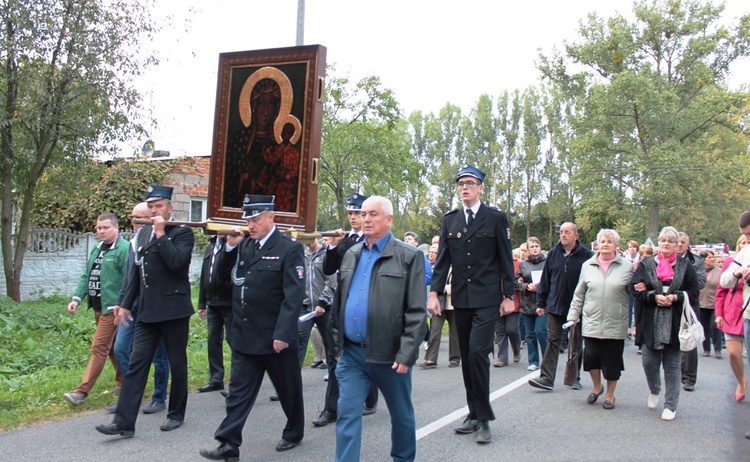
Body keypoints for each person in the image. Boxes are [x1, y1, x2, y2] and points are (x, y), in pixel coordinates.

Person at [200, 195, 306, 461]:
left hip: (274, 337)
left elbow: (293, 296)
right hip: (246, 334)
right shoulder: (246, 246)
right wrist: (229, 248)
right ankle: (228, 444)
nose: (251, 224)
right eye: (248, 219)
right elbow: (229, 280)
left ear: (271, 217)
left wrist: (283, 334)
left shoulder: (289, 248)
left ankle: (294, 431)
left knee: (288, 390)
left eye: (256, 219)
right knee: (238, 392)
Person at [330, 196, 426, 462]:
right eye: (364, 214)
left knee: (401, 414)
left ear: (389, 219)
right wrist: (337, 346)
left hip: (390, 355)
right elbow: (339, 303)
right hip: (351, 356)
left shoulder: (409, 256)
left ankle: (403, 458)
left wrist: (407, 353)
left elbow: (417, 311)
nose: (366, 219)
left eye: (373, 214)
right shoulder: (351, 254)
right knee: (347, 415)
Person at [95, 185, 194, 437]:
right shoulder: (144, 234)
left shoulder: (182, 233)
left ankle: (175, 414)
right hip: (148, 311)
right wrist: (125, 303)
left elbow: (176, 263)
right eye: (150, 207)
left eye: (158, 206)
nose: (153, 211)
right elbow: (137, 274)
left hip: (174, 310)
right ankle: (124, 422)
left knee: (177, 363)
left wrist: (161, 234)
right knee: (137, 364)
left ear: (170, 209)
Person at [429, 165, 515, 444]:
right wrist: (434, 293)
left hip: (488, 298)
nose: (464, 187)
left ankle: (485, 417)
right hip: (461, 299)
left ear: (480, 187)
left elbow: (504, 259)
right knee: (467, 358)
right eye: (460, 184)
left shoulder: (495, 218)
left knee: (478, 353)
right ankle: (473, 413)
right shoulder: (450, 220)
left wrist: (508, 295)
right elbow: (442, 260)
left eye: (470, 183)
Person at [314, 193, 379, 427]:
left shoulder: (372, 240)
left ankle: (370, 398)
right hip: (340, 305)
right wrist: (332, 247)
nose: (353, 217)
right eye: (350, 213)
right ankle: (331, 408)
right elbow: (330, 269)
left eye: (358, 213)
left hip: (364, 306)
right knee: (334, 357)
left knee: (366, 354)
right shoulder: (344, 239)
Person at [631, 226, 700, 421]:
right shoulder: (646, 264)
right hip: (650, 321)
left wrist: (675, 297)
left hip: (675, 322)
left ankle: (670, 405)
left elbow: (694, 291)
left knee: (672, 366)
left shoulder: (685, 266)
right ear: (659, 243)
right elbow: (635, 289)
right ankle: (654, 389)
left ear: (677, 244)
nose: (667, 244)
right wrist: (653, 296)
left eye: (671, 241)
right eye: (663, 240)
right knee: (649, 362)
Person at [109, 203, 170, 415]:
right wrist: (121, 303)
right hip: (133, 308)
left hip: (155, 308)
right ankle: (131, 395)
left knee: (159, 356)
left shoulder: (161, 239)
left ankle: (159, 397)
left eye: (139, 217)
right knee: (120, 349)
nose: (134, 222)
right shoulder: (134, 242)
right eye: (133, 217)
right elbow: (129, 278)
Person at [63, 213, 128, 406]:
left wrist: (124, 305)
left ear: (116, 228)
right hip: (98, 307)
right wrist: (76, 298)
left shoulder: (123, 249)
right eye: (99, 228)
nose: (101, 231)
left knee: (99, 347)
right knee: (113, 349)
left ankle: (81, 392)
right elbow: (87, 275)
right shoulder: (97, 248)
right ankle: (125, 383)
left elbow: (128, 279)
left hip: (113, 309)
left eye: (105, 228)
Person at [566, 229, 634, 410]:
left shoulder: (626, 266)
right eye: (602, 241)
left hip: (615, 321)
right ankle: (597, 387)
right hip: (592, 320)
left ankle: (610, 394)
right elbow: (579, 293)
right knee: (591, 358)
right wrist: (573, 316)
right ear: (597, 244)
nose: (605, 244)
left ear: (616, 246)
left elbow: (633, 292)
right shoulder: (587, 265)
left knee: (612, 361)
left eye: (609, 241)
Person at [529, 222, 594, 391]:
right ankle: (546, 378)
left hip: (577, 307)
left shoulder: (587, 255)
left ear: (576, 236)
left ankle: (574, 377)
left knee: (575, 342)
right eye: (561, 232)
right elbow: (545, 280)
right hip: (555, 305)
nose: (563, 235)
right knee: (553, 341)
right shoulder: (553, 254)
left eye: (567, 232)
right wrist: (541, 303)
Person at [720, 212, 750, 439]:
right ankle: (741, 382)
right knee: (733, 354)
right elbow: (724, 282)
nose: (747, 241)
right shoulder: (744, 254)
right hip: (740, 312)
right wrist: (739, 273)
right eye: (744, 237)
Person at [197, 236, 233, 393]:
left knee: (234, 340)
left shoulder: (231, 243)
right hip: (212, 303)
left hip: (230, 302)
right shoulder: (211, 245)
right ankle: (216, 379)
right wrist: (201, 303)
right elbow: (204, 276)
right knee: (213, 341)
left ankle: (238, 380)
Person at [715, 233, 747, 408]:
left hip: (747, 308)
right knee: (734, 353)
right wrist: (719, 314)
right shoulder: (730, 263)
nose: (745, 245)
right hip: (732, 311)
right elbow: (721, 290)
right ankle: (741, 381)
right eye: (742, 242)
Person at [297, 237, 337, 369]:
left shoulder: (326, 254)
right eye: (304, 238)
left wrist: (322, 302)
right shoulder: (300, 256)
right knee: (299, 343)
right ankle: (292, 381)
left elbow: (331, 281)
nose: (307, 241)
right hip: (305, 307)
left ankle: (333, 376)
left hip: (325, 307)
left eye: (310, 237)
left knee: (330, 342)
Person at [422, 243, 460, 368]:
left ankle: (455, 358)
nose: (432, 255)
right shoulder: (437, 267)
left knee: (454, 332)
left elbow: (459, 284)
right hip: (439, 302)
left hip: (453, 303)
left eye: (435, 253)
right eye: (431, 252)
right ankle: (431, 359)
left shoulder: (457, 265)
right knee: (435, 329)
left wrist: (445, 289)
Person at [677, 232, 706, 392]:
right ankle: (674, 373)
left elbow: (700, 283)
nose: (680, 244)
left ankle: (689, 378)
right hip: (670, 305)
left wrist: (680, 285)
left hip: (689, 304)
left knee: (689, 341)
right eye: (678, 242)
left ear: (688, 245)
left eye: (683, 242)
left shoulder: (697, 261)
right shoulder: (665, 261)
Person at [517, 237, 547, 372]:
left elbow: (552, 281)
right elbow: (516, 282)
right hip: (527, 302)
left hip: (542, 303)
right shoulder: (524, 264)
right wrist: (525, 286)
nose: (535, 248)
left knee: (541, 331)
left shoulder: (547, 262)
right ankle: (533, 360)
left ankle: (547, 359)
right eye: (532, 247)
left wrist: (539, 288)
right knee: (530, 334)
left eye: (536, 246)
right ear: (528, 250)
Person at [698, 250, 722, 359]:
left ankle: (718, 349)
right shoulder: (699, 271)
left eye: (713, 257)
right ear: (703, 259)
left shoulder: (719, 272)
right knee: (704, 327)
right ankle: (706, 349)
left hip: (715, 304)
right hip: (701, 303)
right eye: (709, 257)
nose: (712, 259)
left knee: (714, 326)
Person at [624, 240, 641, 339]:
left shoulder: (640, 260)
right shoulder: (625, 259)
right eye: (630, 247)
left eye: (634, 247)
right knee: (629, 308)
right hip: (628, 286)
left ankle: (636, 328)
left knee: (637, 308)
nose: (632, 249)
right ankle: (628, 328)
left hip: (637, 286)